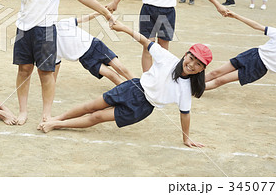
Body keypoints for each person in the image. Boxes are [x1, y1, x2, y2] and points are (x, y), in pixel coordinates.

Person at [39, 21, 213, 148]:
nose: (192, 65)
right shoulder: (168, 58)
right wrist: (123, 28)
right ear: (186, 54)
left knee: (97, 117)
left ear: (201, 70)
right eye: (191, 58)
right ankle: (56, 118)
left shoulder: (186, 88)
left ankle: (56, 124)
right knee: (91, 105)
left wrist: (186, 138)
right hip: (133, 87)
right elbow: (145, 41)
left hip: (142, 108)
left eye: (198, 64)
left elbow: (185, 114)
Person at [205, 11, 276, 107]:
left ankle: (194, 88)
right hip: (252, 54)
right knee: (215, 72)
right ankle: (191, 82)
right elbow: (257, 26)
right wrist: (236, 16)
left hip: (257, 69)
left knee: (221, 80)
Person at [55, 13, 135, 85]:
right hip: (86, 59)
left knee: (120, 68)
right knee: (112, 76)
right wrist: (52, 82)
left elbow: (83, 19)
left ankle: (141, 87)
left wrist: (99, 12)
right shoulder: (50, 46)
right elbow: (56, 65)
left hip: (94, 46)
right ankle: (130, 93)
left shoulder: (62, 23)